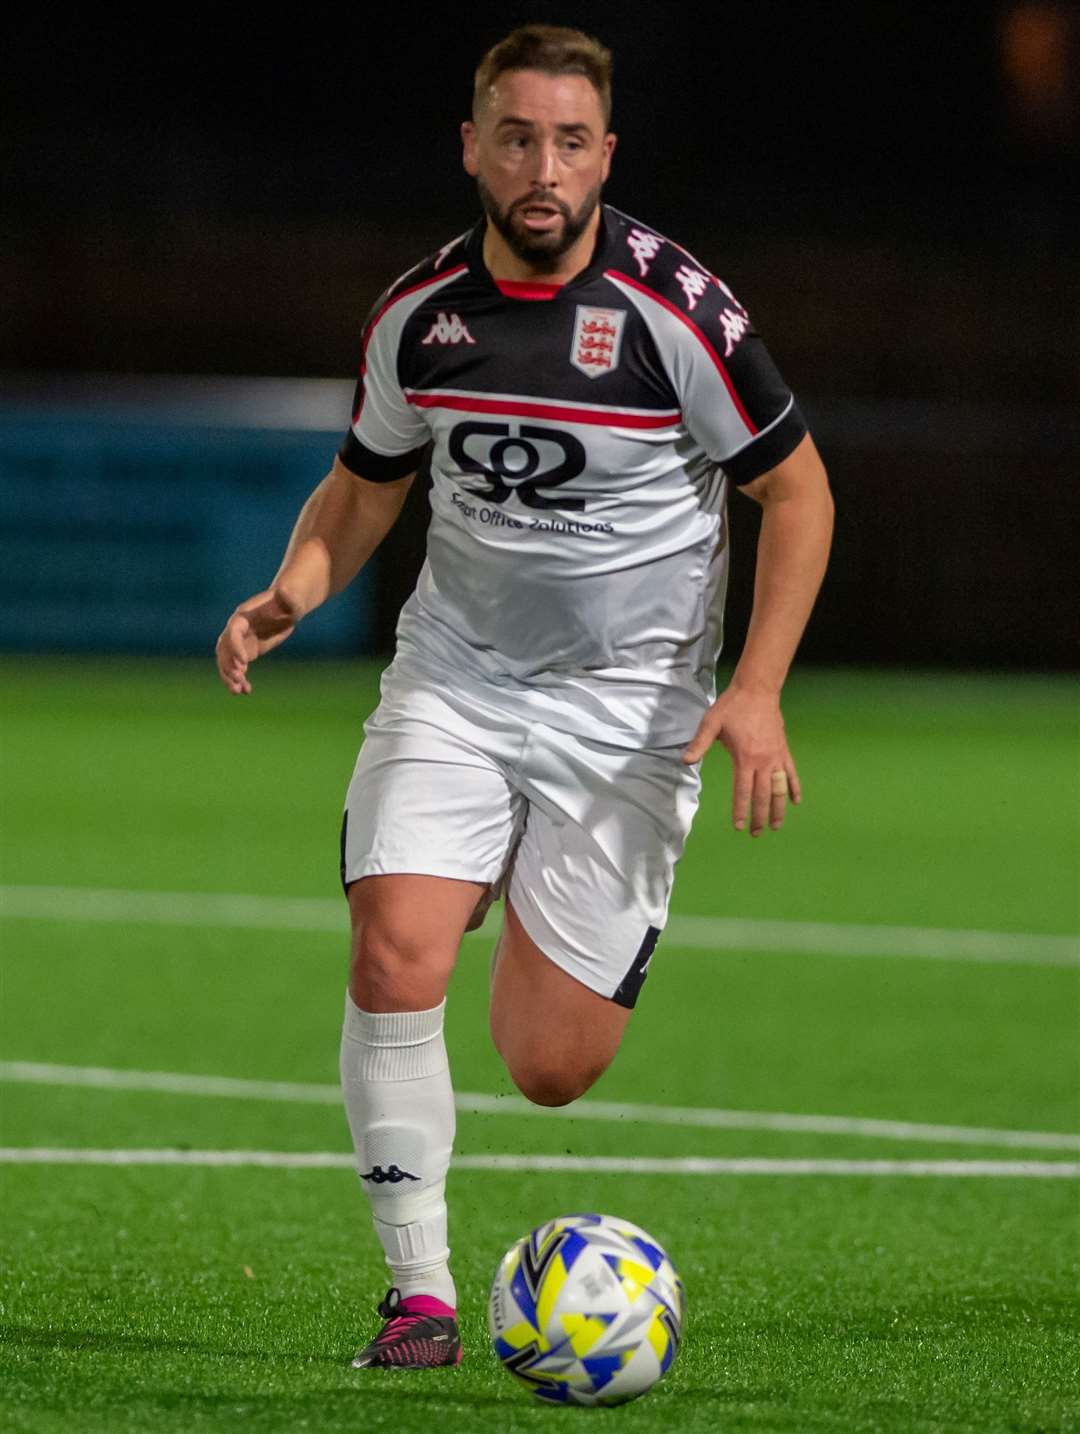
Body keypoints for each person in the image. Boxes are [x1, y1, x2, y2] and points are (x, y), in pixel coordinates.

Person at [215, 23, 833, 1370]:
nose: (540, 166)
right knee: (393, 950)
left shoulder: (676, 313)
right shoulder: (419, 317)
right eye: (515, 135)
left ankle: (508, 877)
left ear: (605, 153)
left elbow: (799, 490)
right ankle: (421, 1292)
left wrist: (762, 688)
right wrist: (296, 583)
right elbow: (368, 480)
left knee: (550, 1063)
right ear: (472, 146)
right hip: (459, 679)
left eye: (567, 140)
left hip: (630, 710)